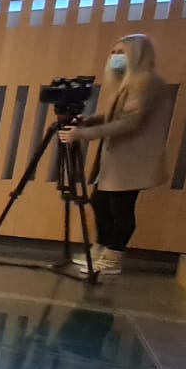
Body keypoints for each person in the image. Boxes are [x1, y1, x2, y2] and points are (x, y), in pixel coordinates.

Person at [59, 33, 176, 276]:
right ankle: (101, 247)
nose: (115, 57)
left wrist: (84, 134)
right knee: (100, 202)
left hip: (133, 158)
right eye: (114, 52)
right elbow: (114, 116)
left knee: (121, 209)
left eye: (122, 53)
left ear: (137, 54)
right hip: (117, 157)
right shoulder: (128, 81)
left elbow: (129, 123)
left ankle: (113, 256)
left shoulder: (146, 82)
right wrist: (89, 121)